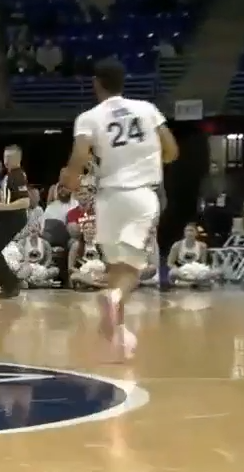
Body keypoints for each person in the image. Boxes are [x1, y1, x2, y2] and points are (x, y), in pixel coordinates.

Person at [63, 58, 179, 357]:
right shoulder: (147, 109)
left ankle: (119, 336)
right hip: (141, 196)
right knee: (130, 272)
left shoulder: (88, 117)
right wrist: (152, 161)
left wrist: (71, 182)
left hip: (108, 199)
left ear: (96, 84)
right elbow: (172, 150)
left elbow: (78, 158)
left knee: (116, 268)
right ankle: (113, 299)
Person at [0, 146, 32, 298]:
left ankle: (10, 284)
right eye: (5, 157)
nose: (6, 161)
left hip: (15, 217)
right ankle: (10, 283)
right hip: (12, 217)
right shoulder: (11, 176)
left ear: (18, 159)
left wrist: (0, 206)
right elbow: (13, 196)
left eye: (10, 158)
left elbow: (25, 202)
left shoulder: (17, 176)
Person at [166, 222, 214, 288]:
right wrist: (176, 269)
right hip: (182, 271)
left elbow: (203, 263)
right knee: (172, 273)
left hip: (196, 271)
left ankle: (189, 283)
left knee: (217, 272)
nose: (189, 233)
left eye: (191, 230)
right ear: (184, 233)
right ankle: (193, 283)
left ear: (196, 233)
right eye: (187, 231)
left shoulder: (202, 246)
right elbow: (170, 263)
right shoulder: (177, 245)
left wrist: (200, 271)